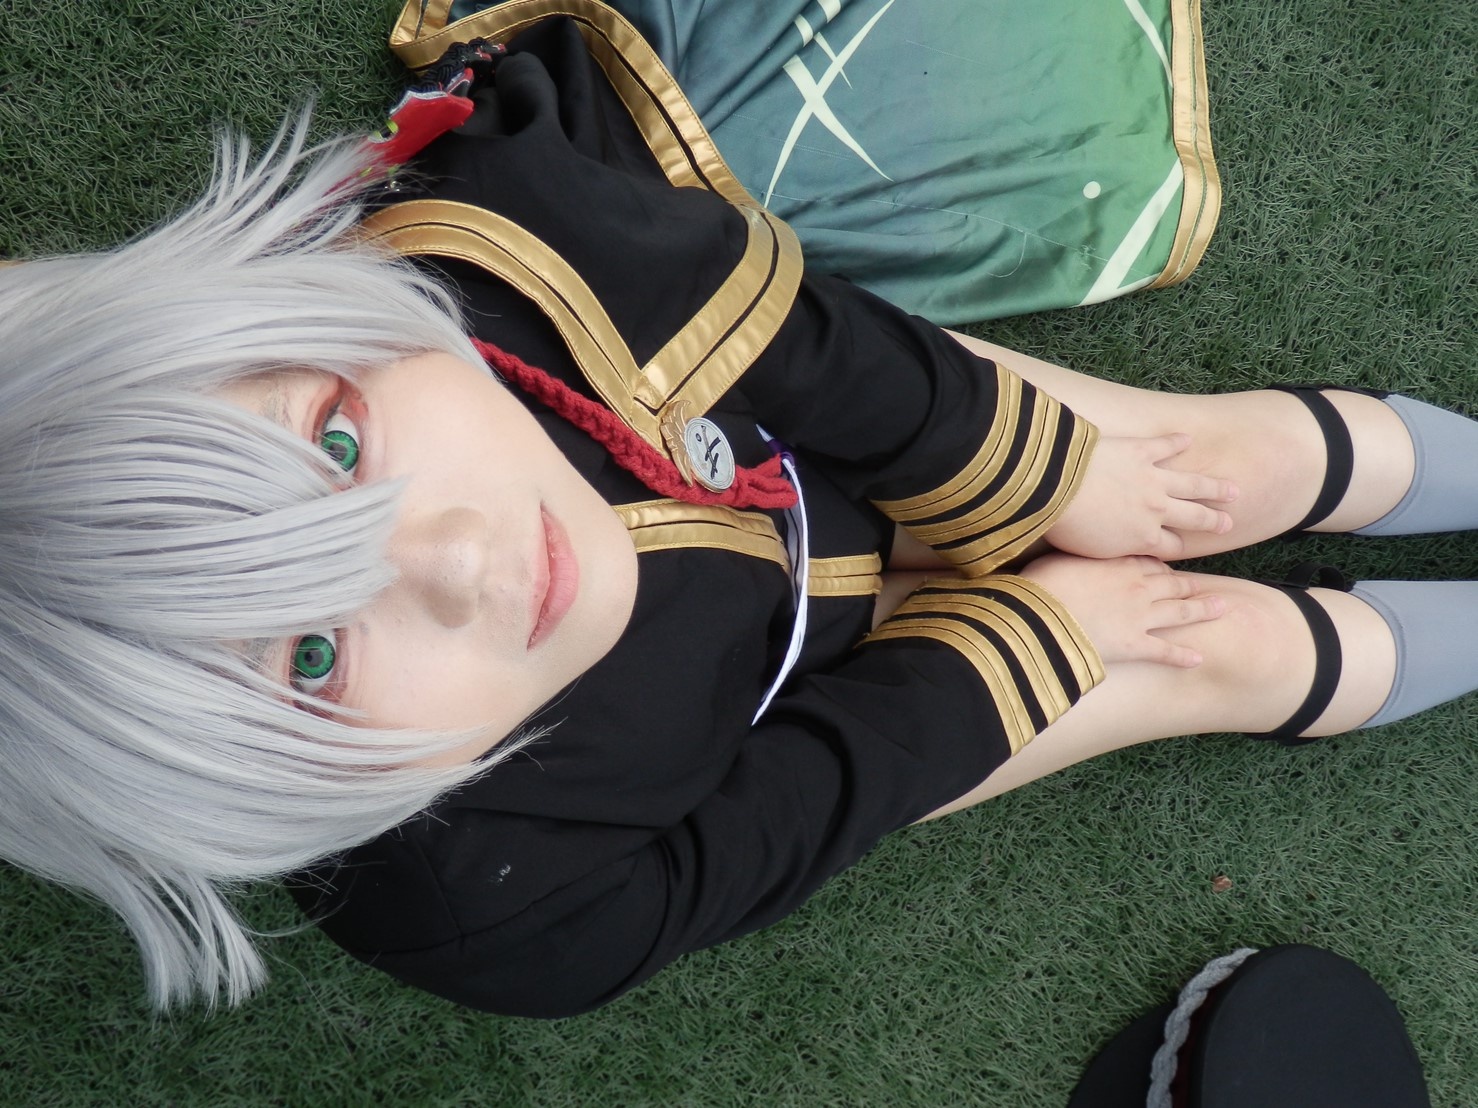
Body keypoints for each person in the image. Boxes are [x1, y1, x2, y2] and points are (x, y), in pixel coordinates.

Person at [1, 11, 1474, 1018]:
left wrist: (1044, 471)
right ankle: (1175, 648)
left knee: (1151, 468)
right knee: (1170, 644)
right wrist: (1037, 645)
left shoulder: (498, 240)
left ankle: (1154, 455)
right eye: (309, 656)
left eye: (335, 442)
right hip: (783, 691)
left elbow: (809, 346)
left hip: (780, 419)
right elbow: (807, 803)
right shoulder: (492, 908)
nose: (456, 557)